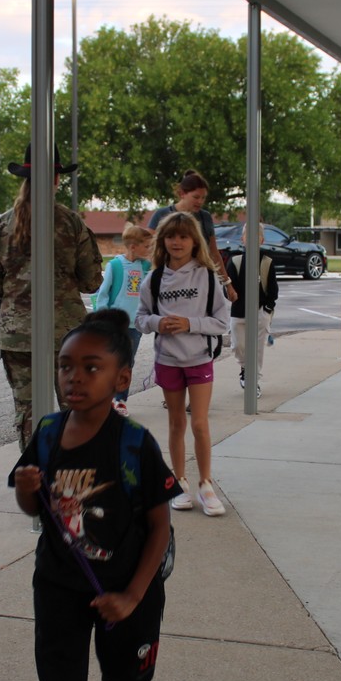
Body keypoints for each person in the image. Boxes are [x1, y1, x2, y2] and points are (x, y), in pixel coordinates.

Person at [12, 309, 181, 681]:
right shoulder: (47, 433)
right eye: (66, 367)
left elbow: (160, 526)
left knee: (126, 678)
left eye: (91, 367)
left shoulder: (134, 443)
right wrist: (26, 485)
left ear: (123, 377)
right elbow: (32, 507)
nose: (74, 378)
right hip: (59, 584)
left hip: (128, 589)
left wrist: (132, 595)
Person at [0, 143, 103, 449]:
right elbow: (91, 282)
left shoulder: (1, 225)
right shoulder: (71, 223)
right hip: (67, 335)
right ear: (57, 179)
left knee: (29, 413)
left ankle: (37, 483)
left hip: (17, 335)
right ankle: (73, 484)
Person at [136, 211, 231, 515]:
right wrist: (157, 322)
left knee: (200, 423)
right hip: (168, 361)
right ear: (162, 241)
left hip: (200, 358)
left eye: (183, 236)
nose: (176, 242)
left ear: (194, 241)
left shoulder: (207, 276)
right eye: (170, 236)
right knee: (177, 423)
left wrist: (189, 324)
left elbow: (221, 322)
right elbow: (140, 319)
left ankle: (206, 484)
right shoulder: (154, 279)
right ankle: (179, 483)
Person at [147, 170, 237, 304]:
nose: (200, 201)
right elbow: (147, 247)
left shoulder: (205, 217)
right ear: (182, 194)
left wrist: (227, 284)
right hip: (169, 280)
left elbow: (213, 253)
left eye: (203, 198)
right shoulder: (162, 214)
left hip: (200, 279)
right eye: (196, 197)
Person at [94, 223, 153, 415]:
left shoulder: (146, 266)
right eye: (146, 245)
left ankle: (120, 400)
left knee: (127, 362)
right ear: (133, 246)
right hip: (114, 324)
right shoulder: (115, 265)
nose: (149, 249)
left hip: (134, 325)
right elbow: (103, 294)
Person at [225, 223, 278, 397]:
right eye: (249, 236)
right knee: (238, 346)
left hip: (259, 312)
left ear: (262, 240)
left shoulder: (267, 262)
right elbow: (228, 289)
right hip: (238, 312)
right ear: (243, 239)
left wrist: (267, 310)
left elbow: (273, 289)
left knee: (257, 348)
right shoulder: (235, 261)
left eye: (257, 237)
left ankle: (253, 379)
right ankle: (245, 368)